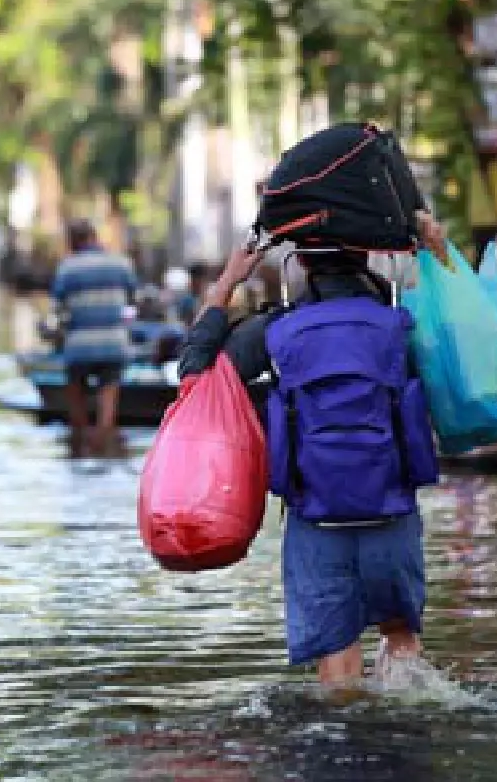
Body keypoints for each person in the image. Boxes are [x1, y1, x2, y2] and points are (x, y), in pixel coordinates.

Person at [177, 209, 448, 689]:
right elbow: (457, 346)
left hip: (316, 522)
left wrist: (229, 280)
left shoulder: (276, 332)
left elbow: (195, 370)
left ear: (298, 265)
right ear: (367, 259)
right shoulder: (399, 325)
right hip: (393, 517)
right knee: (403, 645)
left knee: (338, 669)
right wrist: (435, 250)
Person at [50, 219, 138, 458]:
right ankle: (104, 443)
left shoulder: (67, 267)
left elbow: (58, 308)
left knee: (76, 399)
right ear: (94, 236)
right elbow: (132, 302)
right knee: (107, 404)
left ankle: (80, 446)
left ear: (72, 241)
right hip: (114, 343)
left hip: (79, 346)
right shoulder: (121, 263)